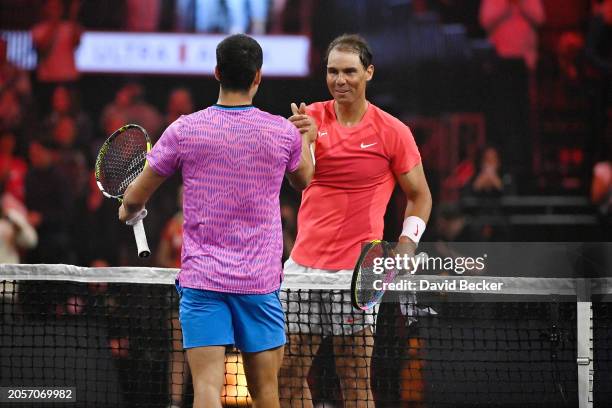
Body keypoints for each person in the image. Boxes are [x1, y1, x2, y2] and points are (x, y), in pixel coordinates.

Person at [119, 34, 314, 408]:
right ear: (258, 76)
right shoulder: (282, 131)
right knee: (267, 394)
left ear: (216, 72)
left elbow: (134, 197)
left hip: (203, 282)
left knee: (207, 389)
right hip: (259, 284)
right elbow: (303, 180)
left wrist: (128, 210)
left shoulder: (184, 129)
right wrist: (307, 138)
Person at [281, 34, 432, 408]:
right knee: (286, 377)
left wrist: (407, 244)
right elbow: (298, 180)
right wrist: (305, 141)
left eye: (349, 71)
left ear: (369, 72)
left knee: (354, 378)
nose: (339, 80)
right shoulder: (308, 119)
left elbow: (420, 195)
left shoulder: (393, 131)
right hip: (302, 268)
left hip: (360, 271)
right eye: (332, 71)